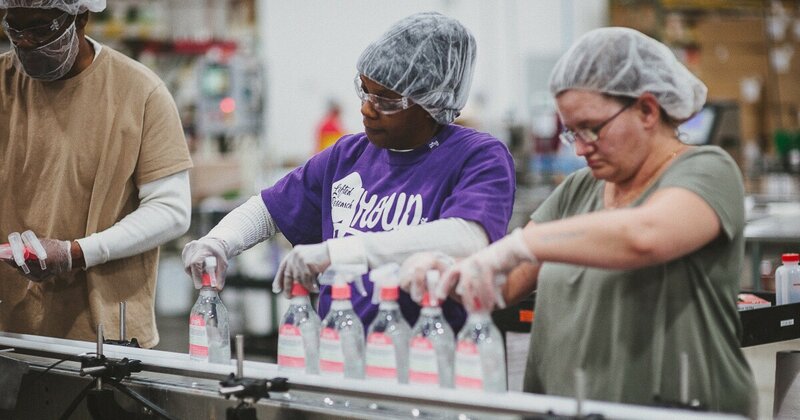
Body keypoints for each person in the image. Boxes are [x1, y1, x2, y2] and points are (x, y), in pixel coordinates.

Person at [400, 27, 756, 417]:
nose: (581, 148)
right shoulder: (579, 188)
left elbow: (644, 235)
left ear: (647, 110)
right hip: (564, 407)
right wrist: (454, 272)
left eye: (592, 128)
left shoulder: (708, 170)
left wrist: (519, 244)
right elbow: (507, 284)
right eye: (572, 133)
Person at [182, 12, 515, 332]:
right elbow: (270, 209)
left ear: (432, 103)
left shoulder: (477, 155)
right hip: (340, 348)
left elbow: (468, 236)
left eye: (385, 100)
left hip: (427, 352)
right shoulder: (349, 155)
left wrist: (338, 253)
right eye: (365, 91)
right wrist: (220, 241)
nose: (366, 108)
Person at [0, 0, 193, 348]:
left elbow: (171, 211)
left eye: (41, 29)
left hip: (102, 336)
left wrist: (76, 252)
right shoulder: (3, 83)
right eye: (15, 27)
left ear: (80, 17)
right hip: (10, 326)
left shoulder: (139, 92)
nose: (25, 41)